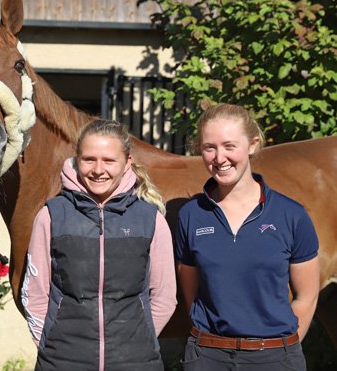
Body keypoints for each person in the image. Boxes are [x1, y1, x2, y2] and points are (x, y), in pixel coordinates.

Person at [23, 118, 177, 371]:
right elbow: (35, 294)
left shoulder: (150, 219)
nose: (98, 170)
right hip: (62, 361)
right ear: (77, 159)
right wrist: (52, 346)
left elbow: (164, 296)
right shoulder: (51, 215)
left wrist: (139, 342)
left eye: (109, 160)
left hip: (135, 362)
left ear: (127, 162)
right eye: (89, 159)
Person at [175, 103, 320, 371]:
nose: (219, 158)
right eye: (209, 147)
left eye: (230, 146)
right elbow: (191, 293)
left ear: (252, 145)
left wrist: (281, 349)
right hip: (208, 357)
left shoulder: (291, 215)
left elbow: (307, 296)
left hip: (274, 358)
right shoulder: (190, 216)